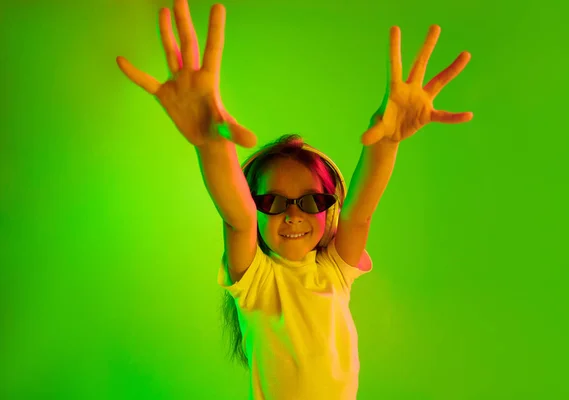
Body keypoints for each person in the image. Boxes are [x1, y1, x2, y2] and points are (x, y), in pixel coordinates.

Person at [116, 1, 473, 398]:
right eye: (272, 201)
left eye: (309, 201)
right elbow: (236, 217)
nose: (291, 214)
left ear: (330, 210)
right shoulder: (255, 281)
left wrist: (388, 141)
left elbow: (359, 215)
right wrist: (209, 144)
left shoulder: (335, 271)